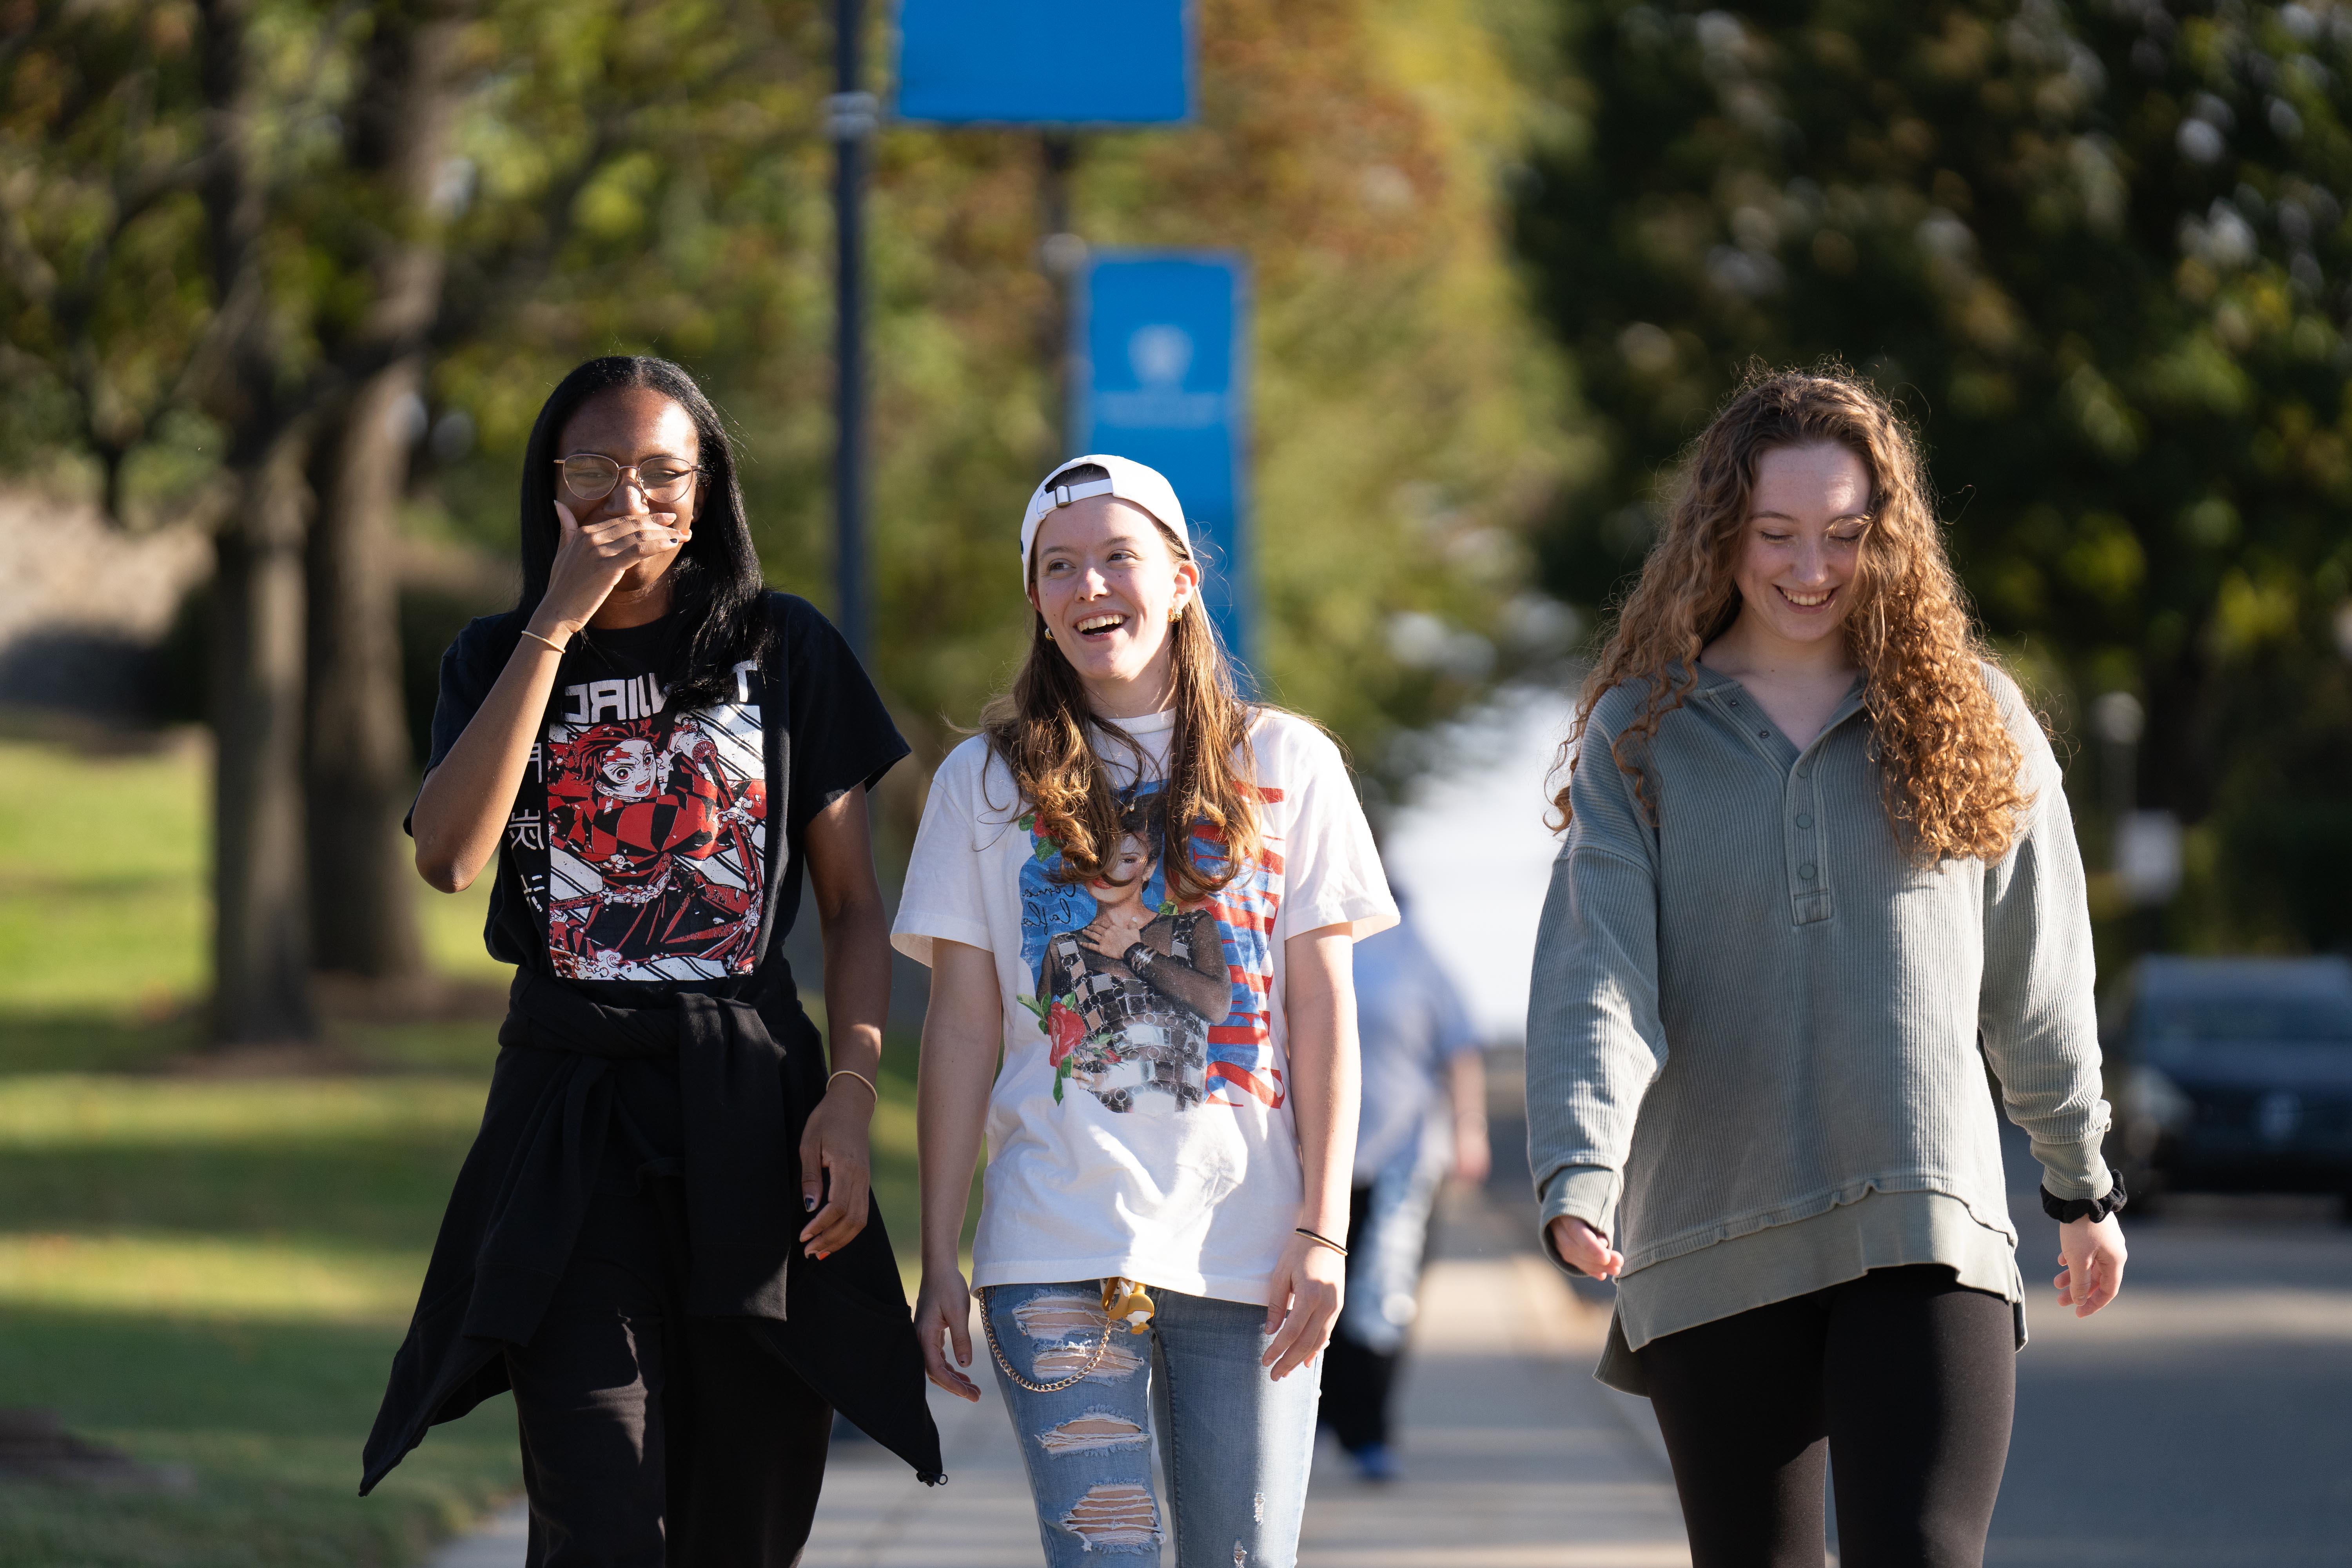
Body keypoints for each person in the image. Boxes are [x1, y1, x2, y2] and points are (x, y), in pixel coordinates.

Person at [1526, 368, 2128, 1568]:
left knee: (1924, 1551)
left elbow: (2038, 978)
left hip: (1923, 1216)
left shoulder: (1975, 722)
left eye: (1846, 535)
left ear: (1890, 541)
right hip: (1712, 1228)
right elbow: (1601, 976)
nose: (1812, 569)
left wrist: (2079, 1184)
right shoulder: (1641, 738)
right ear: (1722, 535)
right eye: (1777, 534)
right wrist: (1581, 1169)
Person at [360, 355, 941, 1564]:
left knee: (746, 1518)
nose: (633, 495)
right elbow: (450, 860)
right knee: (600, 1517)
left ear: (707, 484)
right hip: (569, 1122)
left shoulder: (786, 648)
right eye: (596, 469)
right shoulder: (493, 654)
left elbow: (849, 909)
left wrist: (852, 1090)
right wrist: (556, 623)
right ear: (550, 488)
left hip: (752, 1116)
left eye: (664, 471)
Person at [895, 455, 1394, 1567]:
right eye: (1059, 567)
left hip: (1252, 1249)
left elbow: (1322, 1011)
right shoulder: (983, 784)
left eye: (1117, 557)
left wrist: (1324, 1230)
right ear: (1037, 601)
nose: (1090, 588)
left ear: (1180, 579)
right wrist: (938, 1253)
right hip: (1053, 1247)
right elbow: (964, 1032)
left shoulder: (1287, 764)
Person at [1318, 897, 1487, 1483]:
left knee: (1383, 1300)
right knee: (1319, 1295)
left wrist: (1471, 1130)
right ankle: (1323, 1422)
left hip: (1400, 1163)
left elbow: (1460, 1050)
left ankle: (1369, 1435)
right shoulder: (1307, 940)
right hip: (1320, 1162)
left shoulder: (1417, 956)